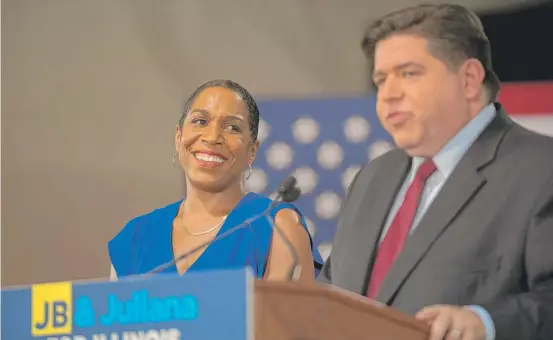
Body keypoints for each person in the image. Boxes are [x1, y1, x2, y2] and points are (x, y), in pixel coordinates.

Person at [317, 4, 553, 340]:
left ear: (469, 80)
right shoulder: (372, 178)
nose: (388, 94)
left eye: (409, 73)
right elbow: (333, 291)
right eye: (381, 80)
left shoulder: (541, 170)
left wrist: (484, 323)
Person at [108, 79, 321, 283]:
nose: (212, 137)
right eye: (200, 122)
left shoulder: (277, 227)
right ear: (178, 137)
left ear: (252, 150)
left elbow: (291, 319)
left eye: (232, 128)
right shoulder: (135, 237)